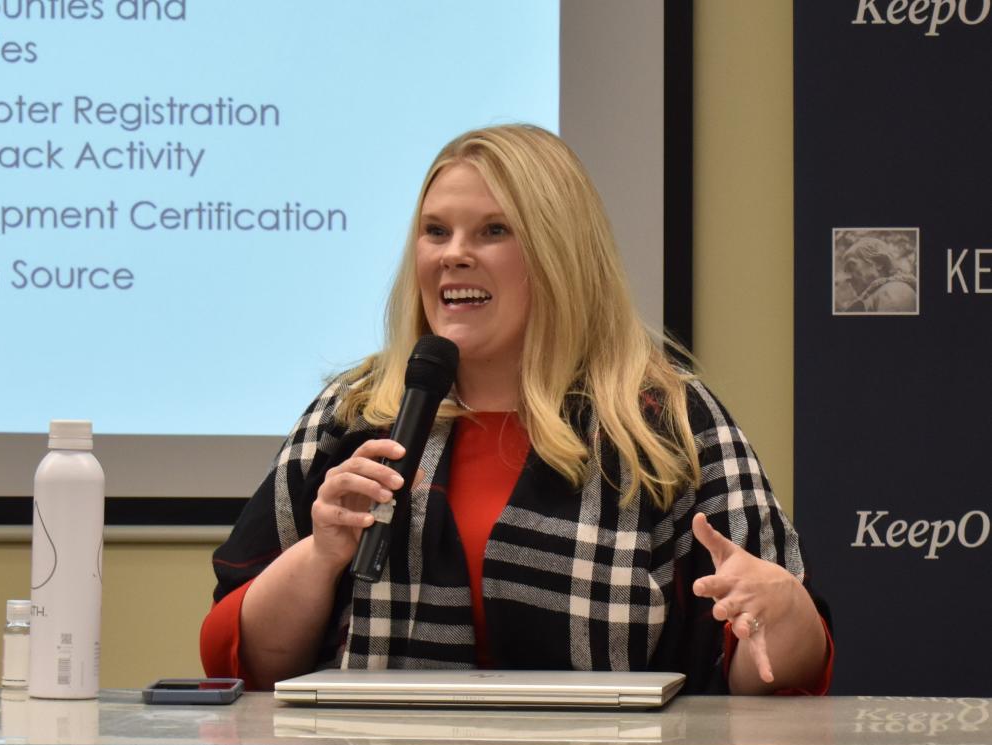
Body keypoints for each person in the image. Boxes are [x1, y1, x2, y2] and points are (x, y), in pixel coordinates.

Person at [201, 124, 832, 695]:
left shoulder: (662, 421)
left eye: (494, 231)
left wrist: (782, 612)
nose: (453, 254)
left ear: (560, 255)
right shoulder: (358, 411)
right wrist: (321, 556)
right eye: (436, 231)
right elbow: (244, 662)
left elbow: (776, 674)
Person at [835, 236, 917, 313]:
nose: (847, 278)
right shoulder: (877, 295)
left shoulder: (895, 290)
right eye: (846, 271)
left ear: (879, 262)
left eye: (851, 266)